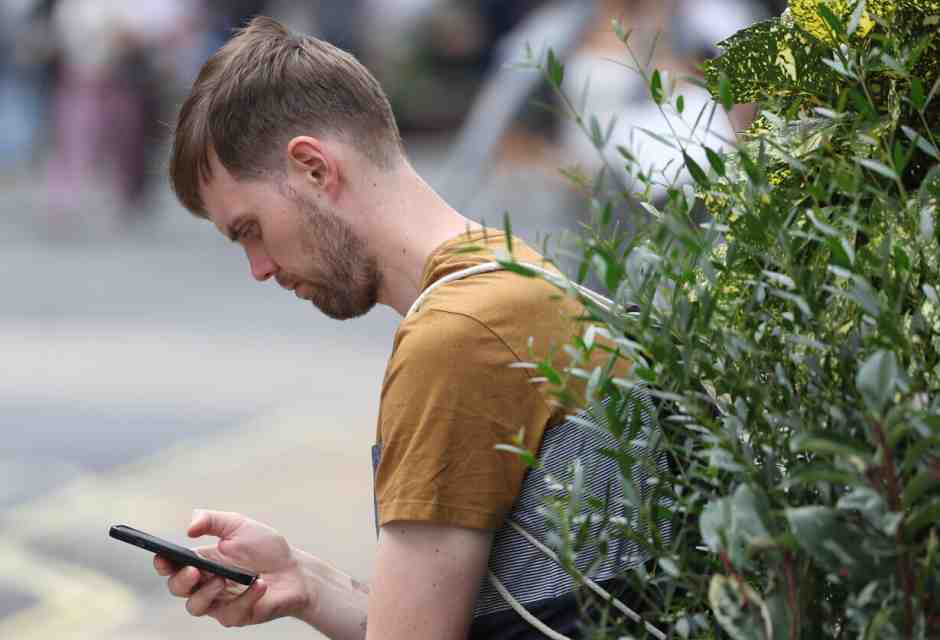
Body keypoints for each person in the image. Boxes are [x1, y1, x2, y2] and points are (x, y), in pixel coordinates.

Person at [156, 15, 660, 640]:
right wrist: (307, 583)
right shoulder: (517, 276)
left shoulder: (457, 338)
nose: (259, 269)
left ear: (314, 167)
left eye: (250, 229)